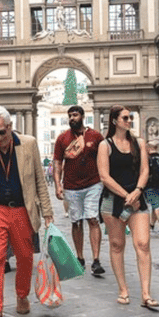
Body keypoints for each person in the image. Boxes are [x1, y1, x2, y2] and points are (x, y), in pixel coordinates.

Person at [0, 106, 54, 317]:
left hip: (22, 209)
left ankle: (22, 295)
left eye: (1, 132)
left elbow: (40, 180)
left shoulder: (28, 144)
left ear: (10, 127)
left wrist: (47, 212)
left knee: (25, 256)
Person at [97, 105, 159, 309]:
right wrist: (126, 195)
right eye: (125, 117)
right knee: (117, 245)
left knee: (143, 243)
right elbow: (104, 177)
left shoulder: (138, 143)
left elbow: (145, 169)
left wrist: (137, 191)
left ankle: (146, 294)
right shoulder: (104, 145)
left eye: (130, 117)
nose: (129, 120)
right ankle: (123, 289)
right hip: (112, 200)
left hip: (137, 199)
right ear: (114, 120)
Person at [53, 105, 105, 276]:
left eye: (75, 115)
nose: (72, 118)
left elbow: (104, 158)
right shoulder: (62, 139)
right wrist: (57, 184)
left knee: (92, 218)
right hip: (72, 185)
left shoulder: (95, 136)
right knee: (76, 222)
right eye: (70, 115)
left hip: (93, 183)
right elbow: (57, 163)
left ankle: (96, 260)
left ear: (83, 116)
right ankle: (80, 257)